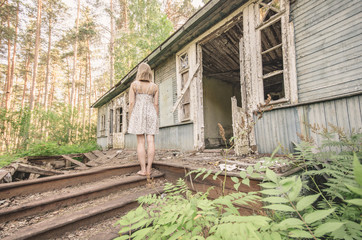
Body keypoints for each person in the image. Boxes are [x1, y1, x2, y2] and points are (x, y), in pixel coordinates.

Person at [128, 62, 159, 176]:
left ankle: (143, 169)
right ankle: (149, 169)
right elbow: (156, 104)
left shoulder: (134, 85)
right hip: (151, 113)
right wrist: (156, 117)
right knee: (151, 141)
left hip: (138, 113)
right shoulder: (154, 86)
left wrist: (131, 115)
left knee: (140, 142)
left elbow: (132, 102)